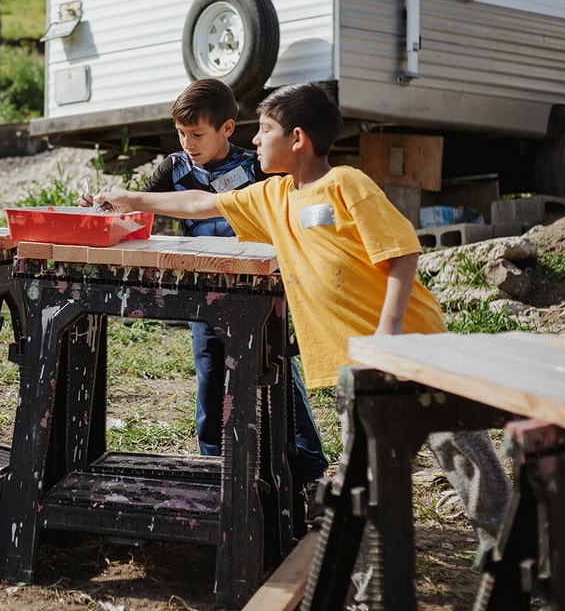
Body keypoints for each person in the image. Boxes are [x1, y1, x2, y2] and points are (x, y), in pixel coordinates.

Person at [96, 82, 510, 604]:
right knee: (364, 486)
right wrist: (129, 199)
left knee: (466, 459)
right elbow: (201, 201)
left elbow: (402, 251)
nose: (255, 139)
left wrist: (389, 335)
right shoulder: (271, 197)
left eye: (265, 130)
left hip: (417, 351)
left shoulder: (346, 184)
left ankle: (515, 563)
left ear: (297, 138)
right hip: (355, 370)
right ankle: (371, 595)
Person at [85, 78, 329, 517]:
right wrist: (106, 207)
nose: (188, 143)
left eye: (197, 134)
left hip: (259, 294)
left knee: (279, 379)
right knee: (211, 377)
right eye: (181, 133)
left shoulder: (258, 167)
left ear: (227, 128)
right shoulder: (175, 167)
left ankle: (311, 475)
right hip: (203, 297)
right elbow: (139, 210)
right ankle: (213, 470)